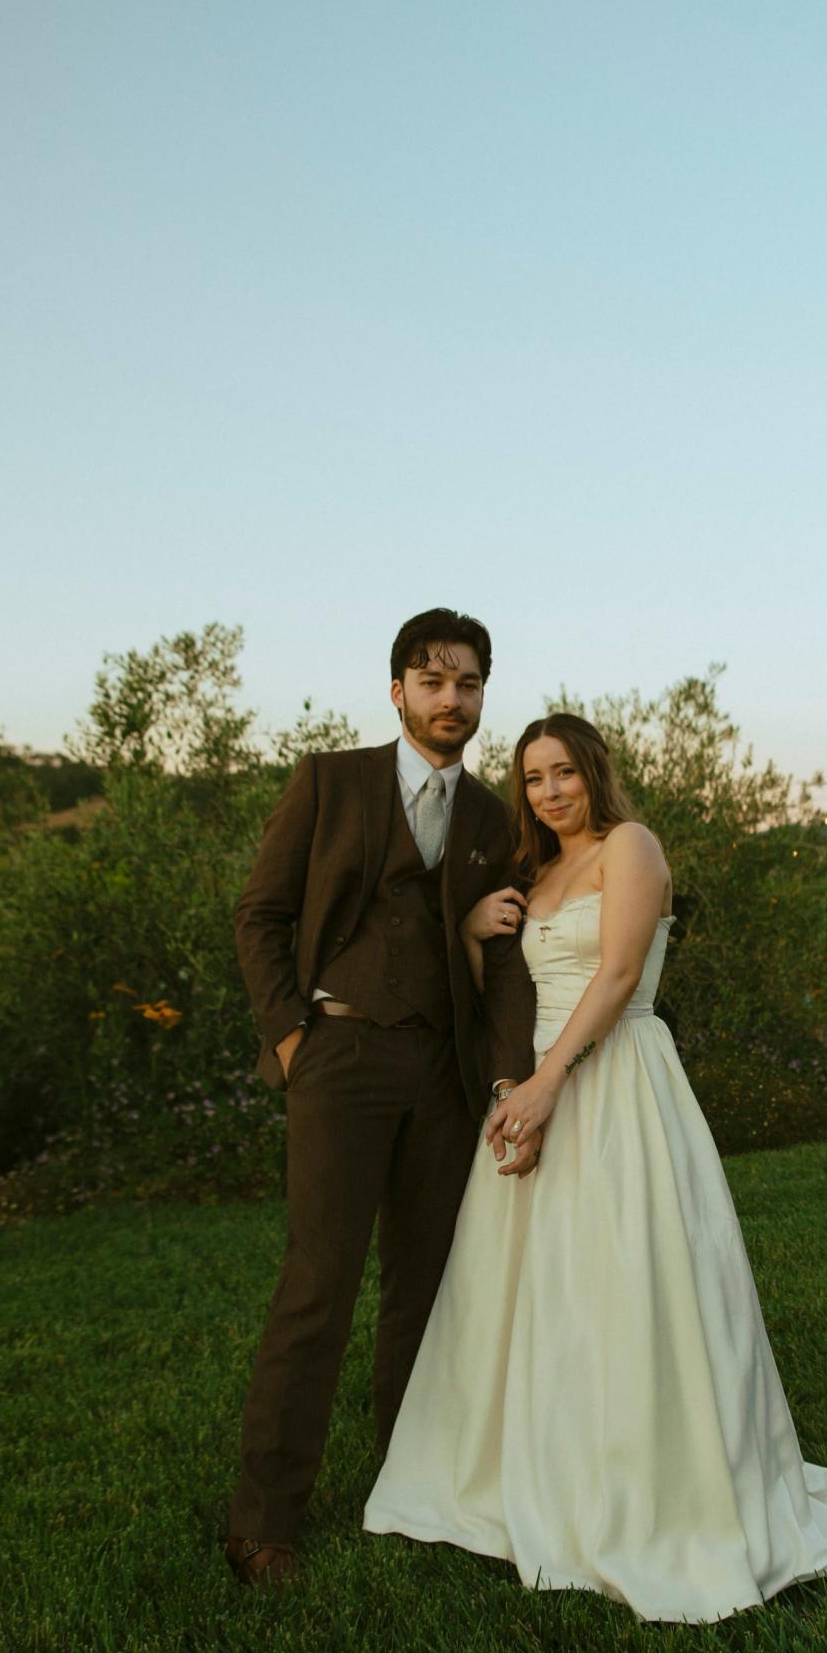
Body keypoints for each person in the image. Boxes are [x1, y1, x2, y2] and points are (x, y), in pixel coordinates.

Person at [363, 712, 827, 1623]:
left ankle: (648, 1483)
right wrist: (476, 943)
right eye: (533, 778)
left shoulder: (631, 845)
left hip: (616, 1079)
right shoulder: (534, 873)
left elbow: (621, 972)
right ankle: (533, 1466)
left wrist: (554, 1082)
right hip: (535, 1083)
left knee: (630, 1278)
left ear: (594, 771)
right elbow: (507, 994)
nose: (549, 791)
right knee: (531, 1291)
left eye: (563, 773)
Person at [224, 608, 541, 1588]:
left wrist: (504, 1073)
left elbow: (504, 964)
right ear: (397, 690)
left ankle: (408, 1489)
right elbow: (262, 914)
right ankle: (266, 1517)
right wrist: (292, 1035)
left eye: (470, 684)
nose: (453, 700)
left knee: (425, 1291)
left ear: (485, 695)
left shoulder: (495, 820)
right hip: (342, 1058)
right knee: (318, 1288)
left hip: (442, 1077)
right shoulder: (331, 783)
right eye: (433, 681)